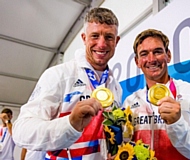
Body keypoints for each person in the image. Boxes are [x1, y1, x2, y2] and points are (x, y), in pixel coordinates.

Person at [12, 7, 122, 160]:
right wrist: (70, 124)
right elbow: (21, 132)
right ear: (84, 38)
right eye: (95, 36)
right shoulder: (58, 75)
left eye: (109, 37)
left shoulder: (116, 87)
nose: (102, 44)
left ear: (116, 41)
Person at [122, 29, 190, 160]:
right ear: (137, 62)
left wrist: (178, 124)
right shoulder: (130, 102)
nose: (151, 59)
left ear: (168, 55)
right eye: (144, 54)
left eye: (157, 52)